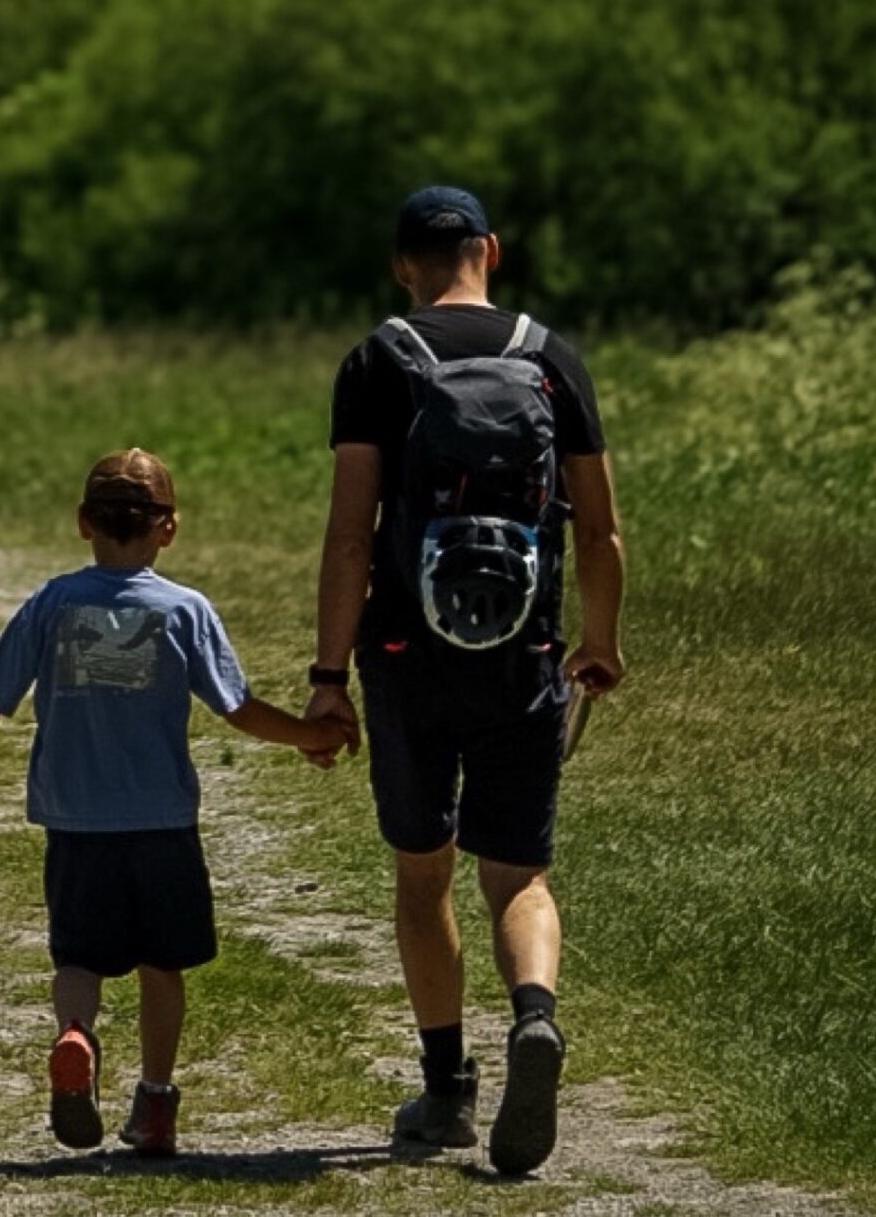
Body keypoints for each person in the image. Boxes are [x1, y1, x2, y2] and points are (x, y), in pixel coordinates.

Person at [304, 186, 625, 1176]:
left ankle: (445, 1091)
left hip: (406, 657)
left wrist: (326, 675)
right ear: (488, 249)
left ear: (403, 263)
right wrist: (596, 642)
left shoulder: (378, 359)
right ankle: (534, 1014)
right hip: (523, 653)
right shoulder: (547, 355)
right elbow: (601, 528)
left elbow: (351, 536)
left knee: (420, 869)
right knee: (516, 872)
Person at [0, 448, 350, 1159]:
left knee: (79, 958)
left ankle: (75, 1036)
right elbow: (236, 708)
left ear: (82, 524)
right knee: (165, 965)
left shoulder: (53, 604)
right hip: (160, 821)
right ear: (169, 528)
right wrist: (311, 734)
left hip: (75, 821)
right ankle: (155, 1105)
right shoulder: (184, 610)